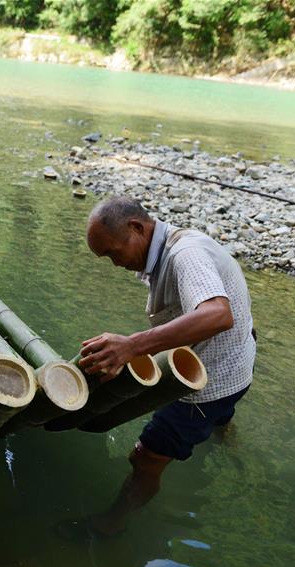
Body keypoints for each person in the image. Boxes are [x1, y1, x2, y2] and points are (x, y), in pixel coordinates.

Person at [74, 195, 256, 538]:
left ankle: (111, 525)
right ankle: (223, 430)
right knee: (221, 413)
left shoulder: (185, 255)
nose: (114, 264)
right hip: (241, 361)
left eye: (114, 252)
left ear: (137, 228)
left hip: (210, 383)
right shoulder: (171, 247)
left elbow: (218, 314)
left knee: (145, 459)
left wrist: (133, 345)